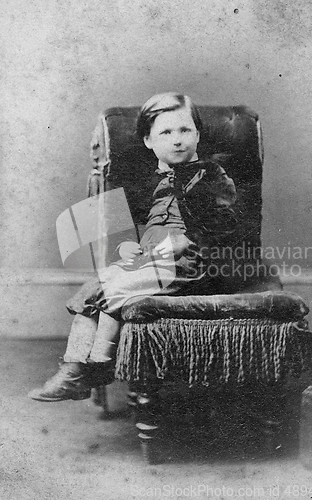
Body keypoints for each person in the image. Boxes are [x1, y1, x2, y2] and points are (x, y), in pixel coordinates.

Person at [28, 92, 238, 402]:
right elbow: (137, 228)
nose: (178, 140)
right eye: (166, 132)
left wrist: (188, 239)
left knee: (115, 289)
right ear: (149, 141)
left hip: (192, 266)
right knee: (95, 288)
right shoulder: (150, 182)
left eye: (185, 130)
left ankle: (98, 365)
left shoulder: (212, 176)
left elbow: (227, 224)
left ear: (198, 133)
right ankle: (72, 371)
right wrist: (129, 248)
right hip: (152, 262)